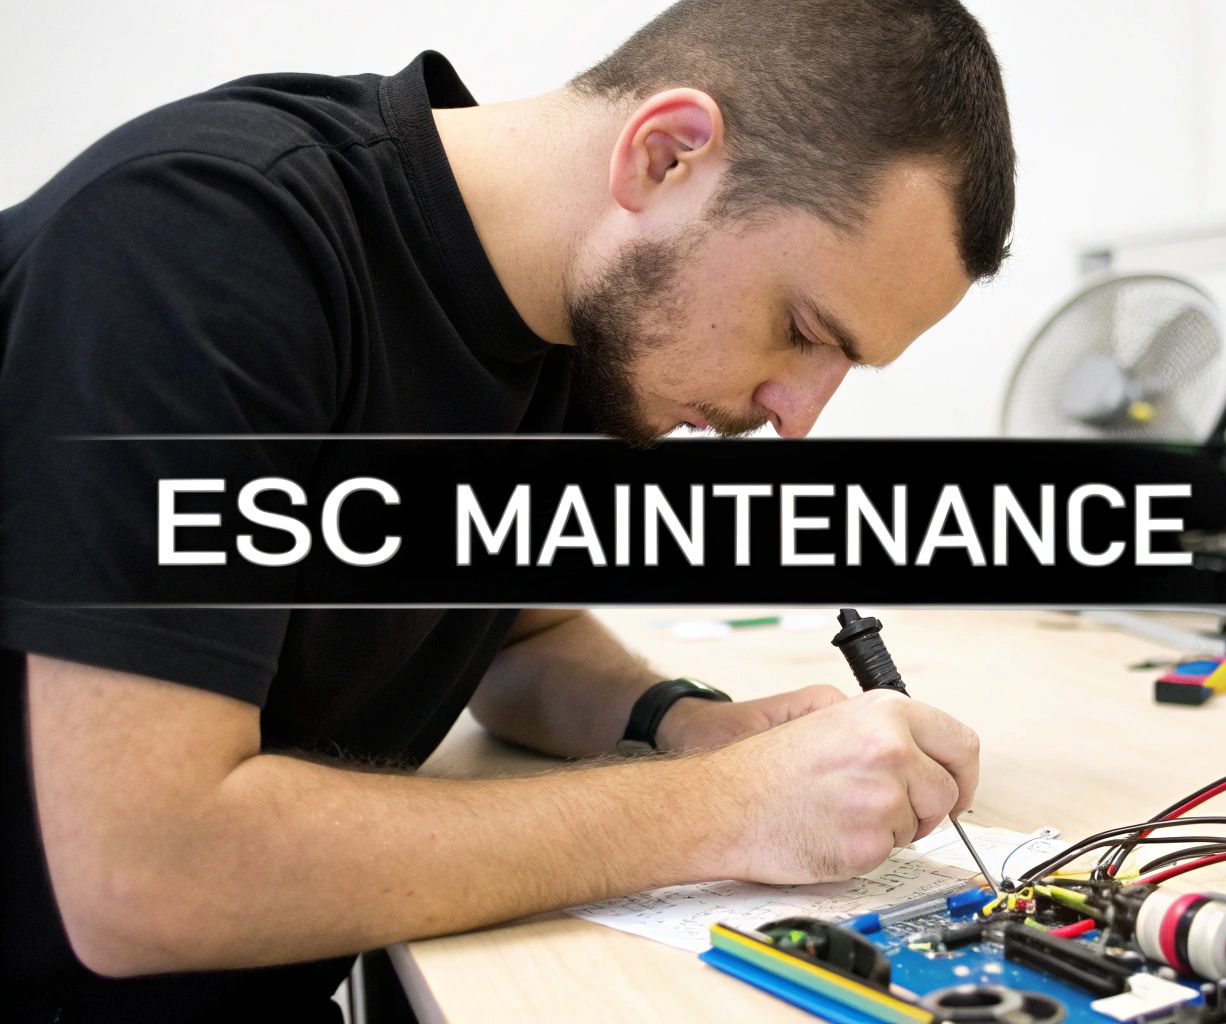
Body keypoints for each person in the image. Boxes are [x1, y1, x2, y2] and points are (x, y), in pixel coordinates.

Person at [0, 0, 1014, 1019]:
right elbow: (149, 874)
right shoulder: (201, 246)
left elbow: (511, 641)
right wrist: (724, 806)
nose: (796, 417)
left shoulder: (574, 336)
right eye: (798, 328)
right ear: (665, 155)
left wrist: (687, 726)